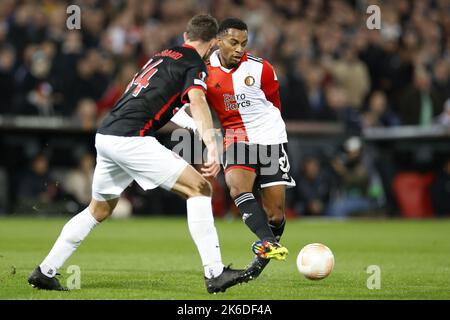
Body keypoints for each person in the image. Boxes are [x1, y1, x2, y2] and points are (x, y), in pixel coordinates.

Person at [27, 14, 246, 294]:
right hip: (131, 139)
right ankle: (215, 273)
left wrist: (193, 126)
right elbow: (198, 100)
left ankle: (45, 271)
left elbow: (169, 103)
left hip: (106, 135)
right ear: (215, 42)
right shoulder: (194, 63)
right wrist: (212, 145)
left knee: (99, 209)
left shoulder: (162, 56)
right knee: (200, 188)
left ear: (185, 37)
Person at [205, 18, 294, 280]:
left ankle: (261, 259)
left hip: (269, 137)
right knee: (237, 187)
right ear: (218, 40)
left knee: (275, 214)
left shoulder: (262, 69)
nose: (239, 49)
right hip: (235, 136)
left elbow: (274, 104)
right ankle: (268, 243)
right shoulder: (204, 71)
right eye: (233, 42)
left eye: (244, 43)